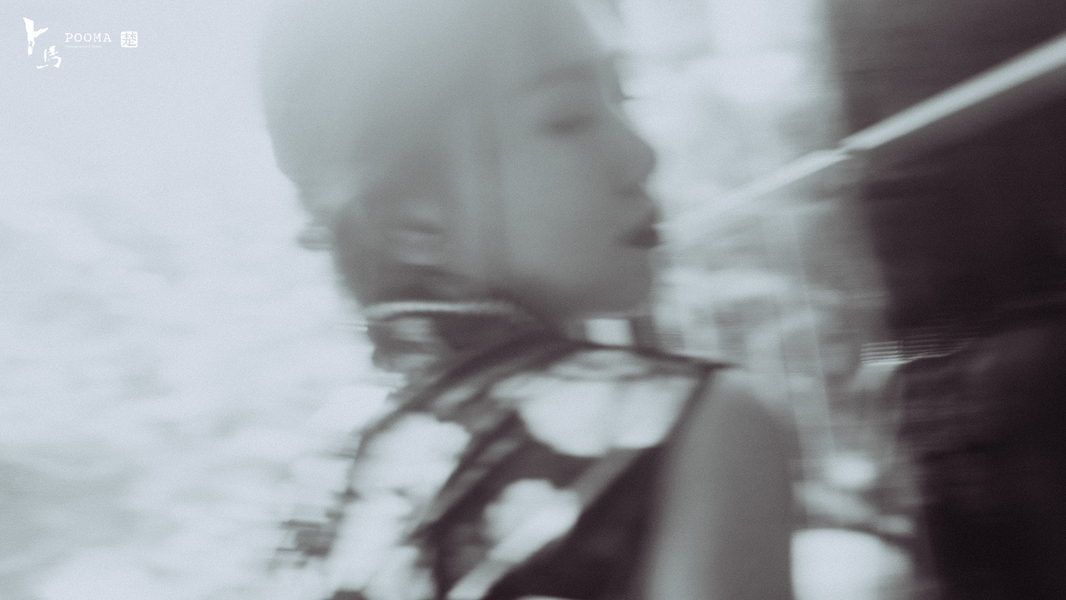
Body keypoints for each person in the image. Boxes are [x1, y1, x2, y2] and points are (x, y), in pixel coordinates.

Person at [260, 1, 794, 599]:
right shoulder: (690, 425)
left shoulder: (326, 471)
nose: (640, 155)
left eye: (623, 97)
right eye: (568, 119)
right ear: (411, 218)